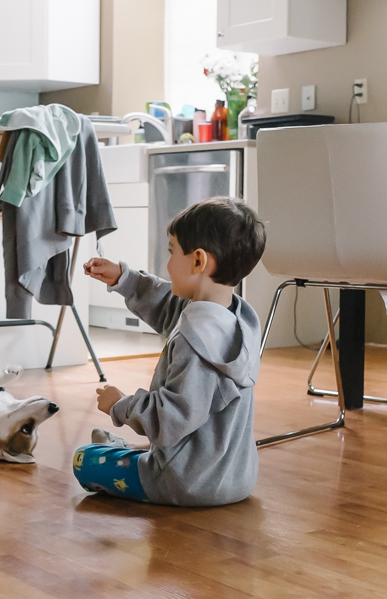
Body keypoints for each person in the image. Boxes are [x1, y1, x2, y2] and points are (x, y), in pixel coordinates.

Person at [73, 197, 266, 506]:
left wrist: (120, 405)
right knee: (136, 451)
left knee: (83, 460)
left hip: (186, 482)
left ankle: (122, 451)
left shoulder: (196, 343)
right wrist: (124, 278)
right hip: (236, 476)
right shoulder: (236, 318)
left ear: (198, 261)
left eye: (172, 250)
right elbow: (168, 304)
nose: (168, 262)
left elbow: (171, 419)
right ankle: (126, 451)